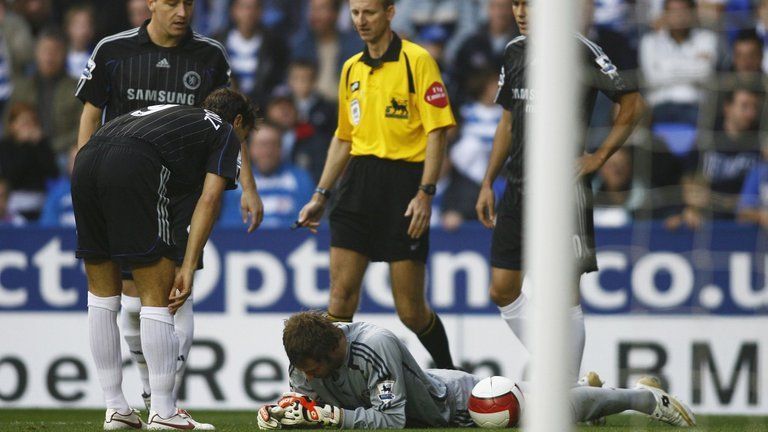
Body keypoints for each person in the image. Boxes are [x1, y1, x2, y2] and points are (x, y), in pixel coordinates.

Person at [74, 0, 263, 423]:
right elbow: (210, 200)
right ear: (237, 125)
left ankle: (116, 409)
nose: (182, 10)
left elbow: (92, 128)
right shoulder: (221, 130)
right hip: (143, 173)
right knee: (161, 298)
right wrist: (188, 264)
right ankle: (163, 410)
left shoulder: (180, 94)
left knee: (102, 298)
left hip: (88, 165)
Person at [475, 0, 646, 383]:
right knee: (502, 290)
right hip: (517, 188)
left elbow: (633, 104)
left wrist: (599, 157)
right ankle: (573, 385)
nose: (521, 12)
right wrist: (488, 181)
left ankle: (568, 391)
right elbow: (507, 120)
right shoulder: (513, 51)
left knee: (562, 295)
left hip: (563, 192)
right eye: (516, 4)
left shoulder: (579, 50)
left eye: (530, 5)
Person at [296, 0, 457, 369]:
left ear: (389, 12)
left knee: (411, 311)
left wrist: (425, 192)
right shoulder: (351, 67)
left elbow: (437, 132)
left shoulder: (417, 61)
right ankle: (332, 389)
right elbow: (343, 137)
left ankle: (451, 373)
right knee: (340, 299)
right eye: (355, 13)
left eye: (369, 12)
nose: (361, 21)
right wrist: (321, 193)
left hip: (405, 186)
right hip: (357, 184)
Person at [256, 311, 696, 429]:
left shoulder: (375, 345)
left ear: (334, 348)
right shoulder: (304, 358)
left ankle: (644, 397)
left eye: (312, 370)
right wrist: (284, 409)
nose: (307, 378)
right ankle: (584, 388)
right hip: (429, 409)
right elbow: (308, 401)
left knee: (552, 411)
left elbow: (390, 419)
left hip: (459, 403)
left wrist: (333, 419)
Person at [219, 123, 314, 229]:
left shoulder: (300, 178)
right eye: (262, 145)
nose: (267, 151)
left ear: (281, 149)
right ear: (250, 149)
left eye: (273, 145)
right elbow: (229, 226)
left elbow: (305, 221)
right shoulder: (235, 180)